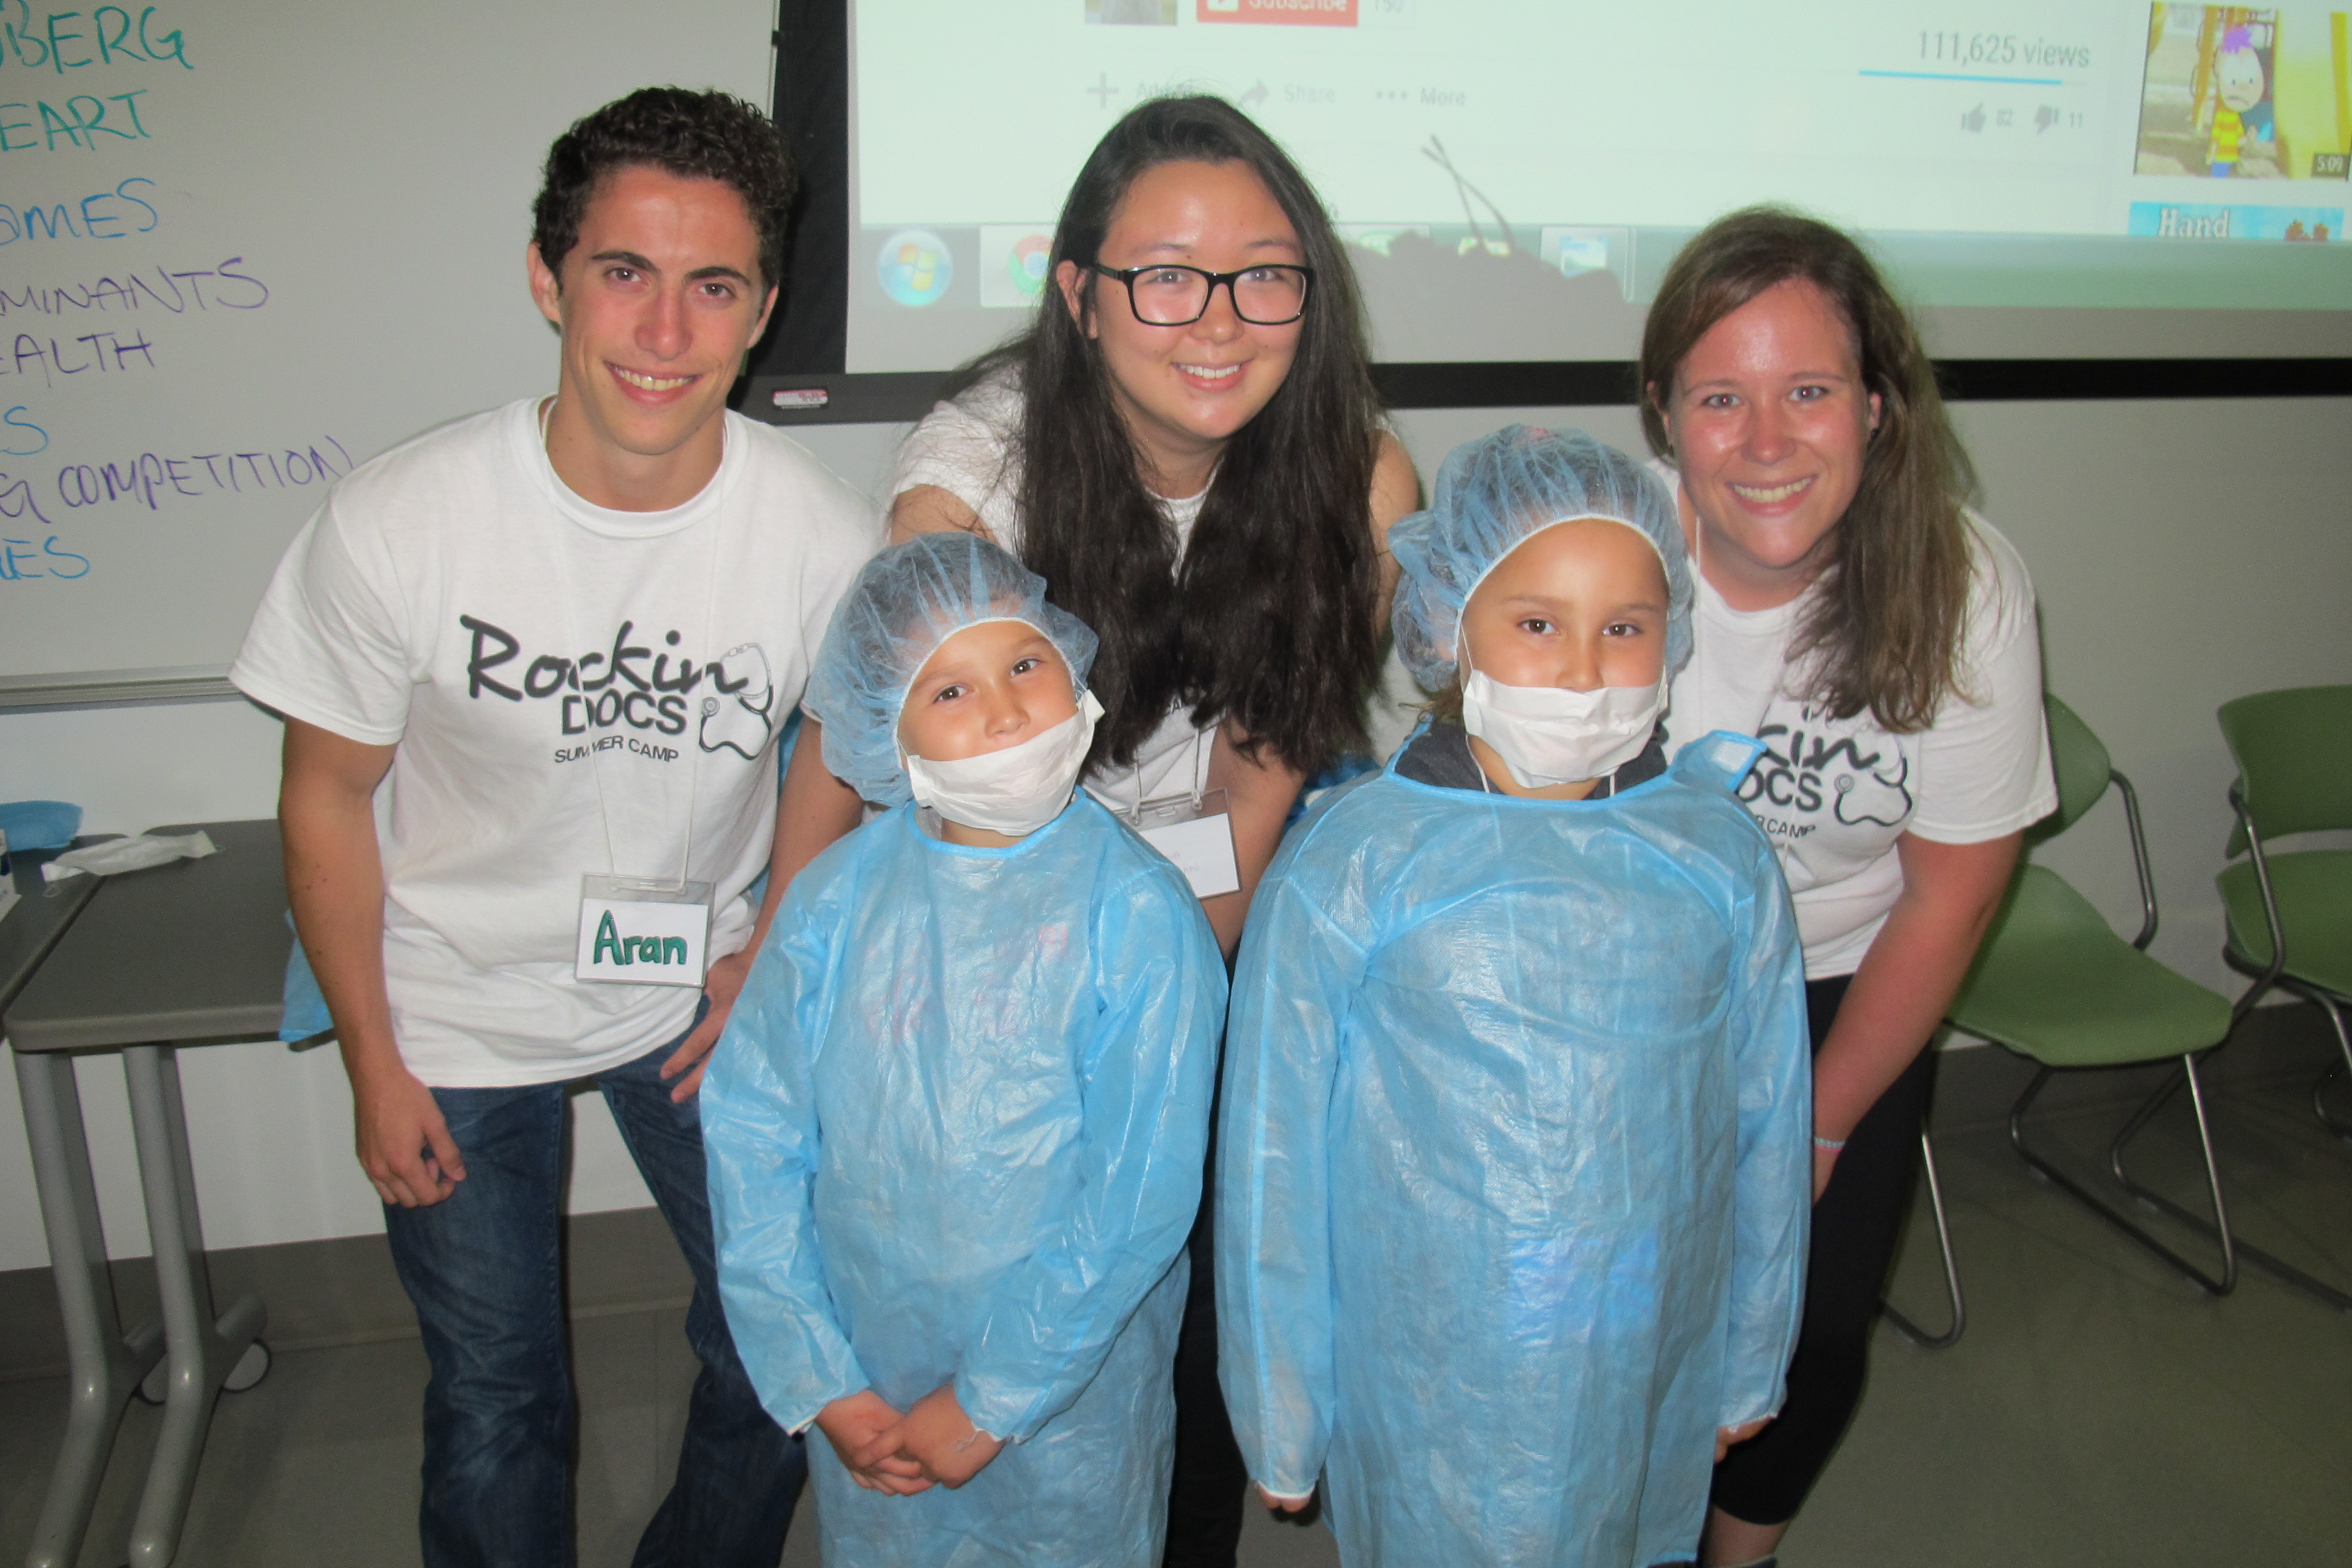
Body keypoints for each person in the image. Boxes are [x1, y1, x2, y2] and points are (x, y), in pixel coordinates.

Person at [230, 88, 876, 1567]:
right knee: (498, 1400)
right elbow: (323, 793)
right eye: (622, 274)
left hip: (689, 988)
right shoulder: (404, 520)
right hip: (452, 1001)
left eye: (712, 286)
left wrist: (767, 944)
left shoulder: (813, 534)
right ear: (547, 278)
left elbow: (834, 750)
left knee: (782, 1341)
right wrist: (373, 1064)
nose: (665, 331)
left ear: (762, 310)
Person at [885, 94, 1419, 1562]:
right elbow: (943, 809)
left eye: (1267, 273)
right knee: (1025, 1289)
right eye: (1166, 274)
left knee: (1190, 1281)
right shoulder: (972, 486)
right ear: (1079, 292)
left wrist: (1176, 999)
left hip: (1213, 900)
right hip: (1003, 910)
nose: (1222, 320)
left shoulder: (1355, 480)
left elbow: (1261, 772)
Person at [1217, 425, 1812, 1567]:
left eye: (1626, 629)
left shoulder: (1716, 855)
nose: (1586, 671)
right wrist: (1282, 1409)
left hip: (1646, 1340)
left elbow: (1765, 1125)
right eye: (1537, 624)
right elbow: (1271, 1160)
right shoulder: (1358, 863)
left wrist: (1746, 1356)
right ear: (1450, 630)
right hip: (1432, 1363)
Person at [1636, 208, 2056, 1568]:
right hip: (1627, 981)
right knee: (1611, 1308)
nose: (1766, 442)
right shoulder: (1596, 550)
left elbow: (1947, 896)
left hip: (1839, 981)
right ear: (1663, 417)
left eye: (1808, 390)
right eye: (1721, 398)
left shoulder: (1963, 585)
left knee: (1807, 1324)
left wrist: (1810, 1136)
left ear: (1876, 405)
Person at [704, 531, 1227, 1568]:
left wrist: (995, 1398)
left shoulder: (1139, 914)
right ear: (878, 730)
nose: (1004, 710)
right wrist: (821, 1380)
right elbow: (755, 1132)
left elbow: (1138, 1199)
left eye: (1024, 663)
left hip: (1069, 1393)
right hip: (872, 1379)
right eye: (947, 692)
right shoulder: (833, 903)